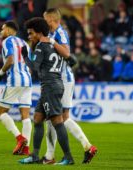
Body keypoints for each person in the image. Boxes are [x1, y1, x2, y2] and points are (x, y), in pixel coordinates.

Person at [42, 8, 97, 164]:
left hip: (63, 79)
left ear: (51, 20)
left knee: (62, 118)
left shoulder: (60, 33)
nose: (43, 22)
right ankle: (50, 156)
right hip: (57, 79)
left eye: (45, 19)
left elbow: (67, 52)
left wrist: (51, 42)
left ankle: (86, 147)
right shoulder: (52, 34)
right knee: (52, 118)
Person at [20, 17, 74, 165]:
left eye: (31, 33)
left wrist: (25, 55)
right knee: (37, 119)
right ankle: (35, 156)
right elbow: (68, 57)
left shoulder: (40, 47)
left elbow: (35, 67)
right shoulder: (54, 45)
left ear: (39, 32)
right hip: (53, 85)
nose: (29, 36)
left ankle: (68, 157)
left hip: (50, 86)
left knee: (57, 121)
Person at [0, 21, 32, 155]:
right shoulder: (24, 43)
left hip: (14, 80)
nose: (1, 32)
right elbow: (30, 62)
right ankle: (26, 149)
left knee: (1, 112)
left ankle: (20, 138)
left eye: (2, 29)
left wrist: (0, 73)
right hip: (27, 80)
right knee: (26, 116)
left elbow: (10, 60)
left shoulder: (7, 41)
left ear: (10, 31)